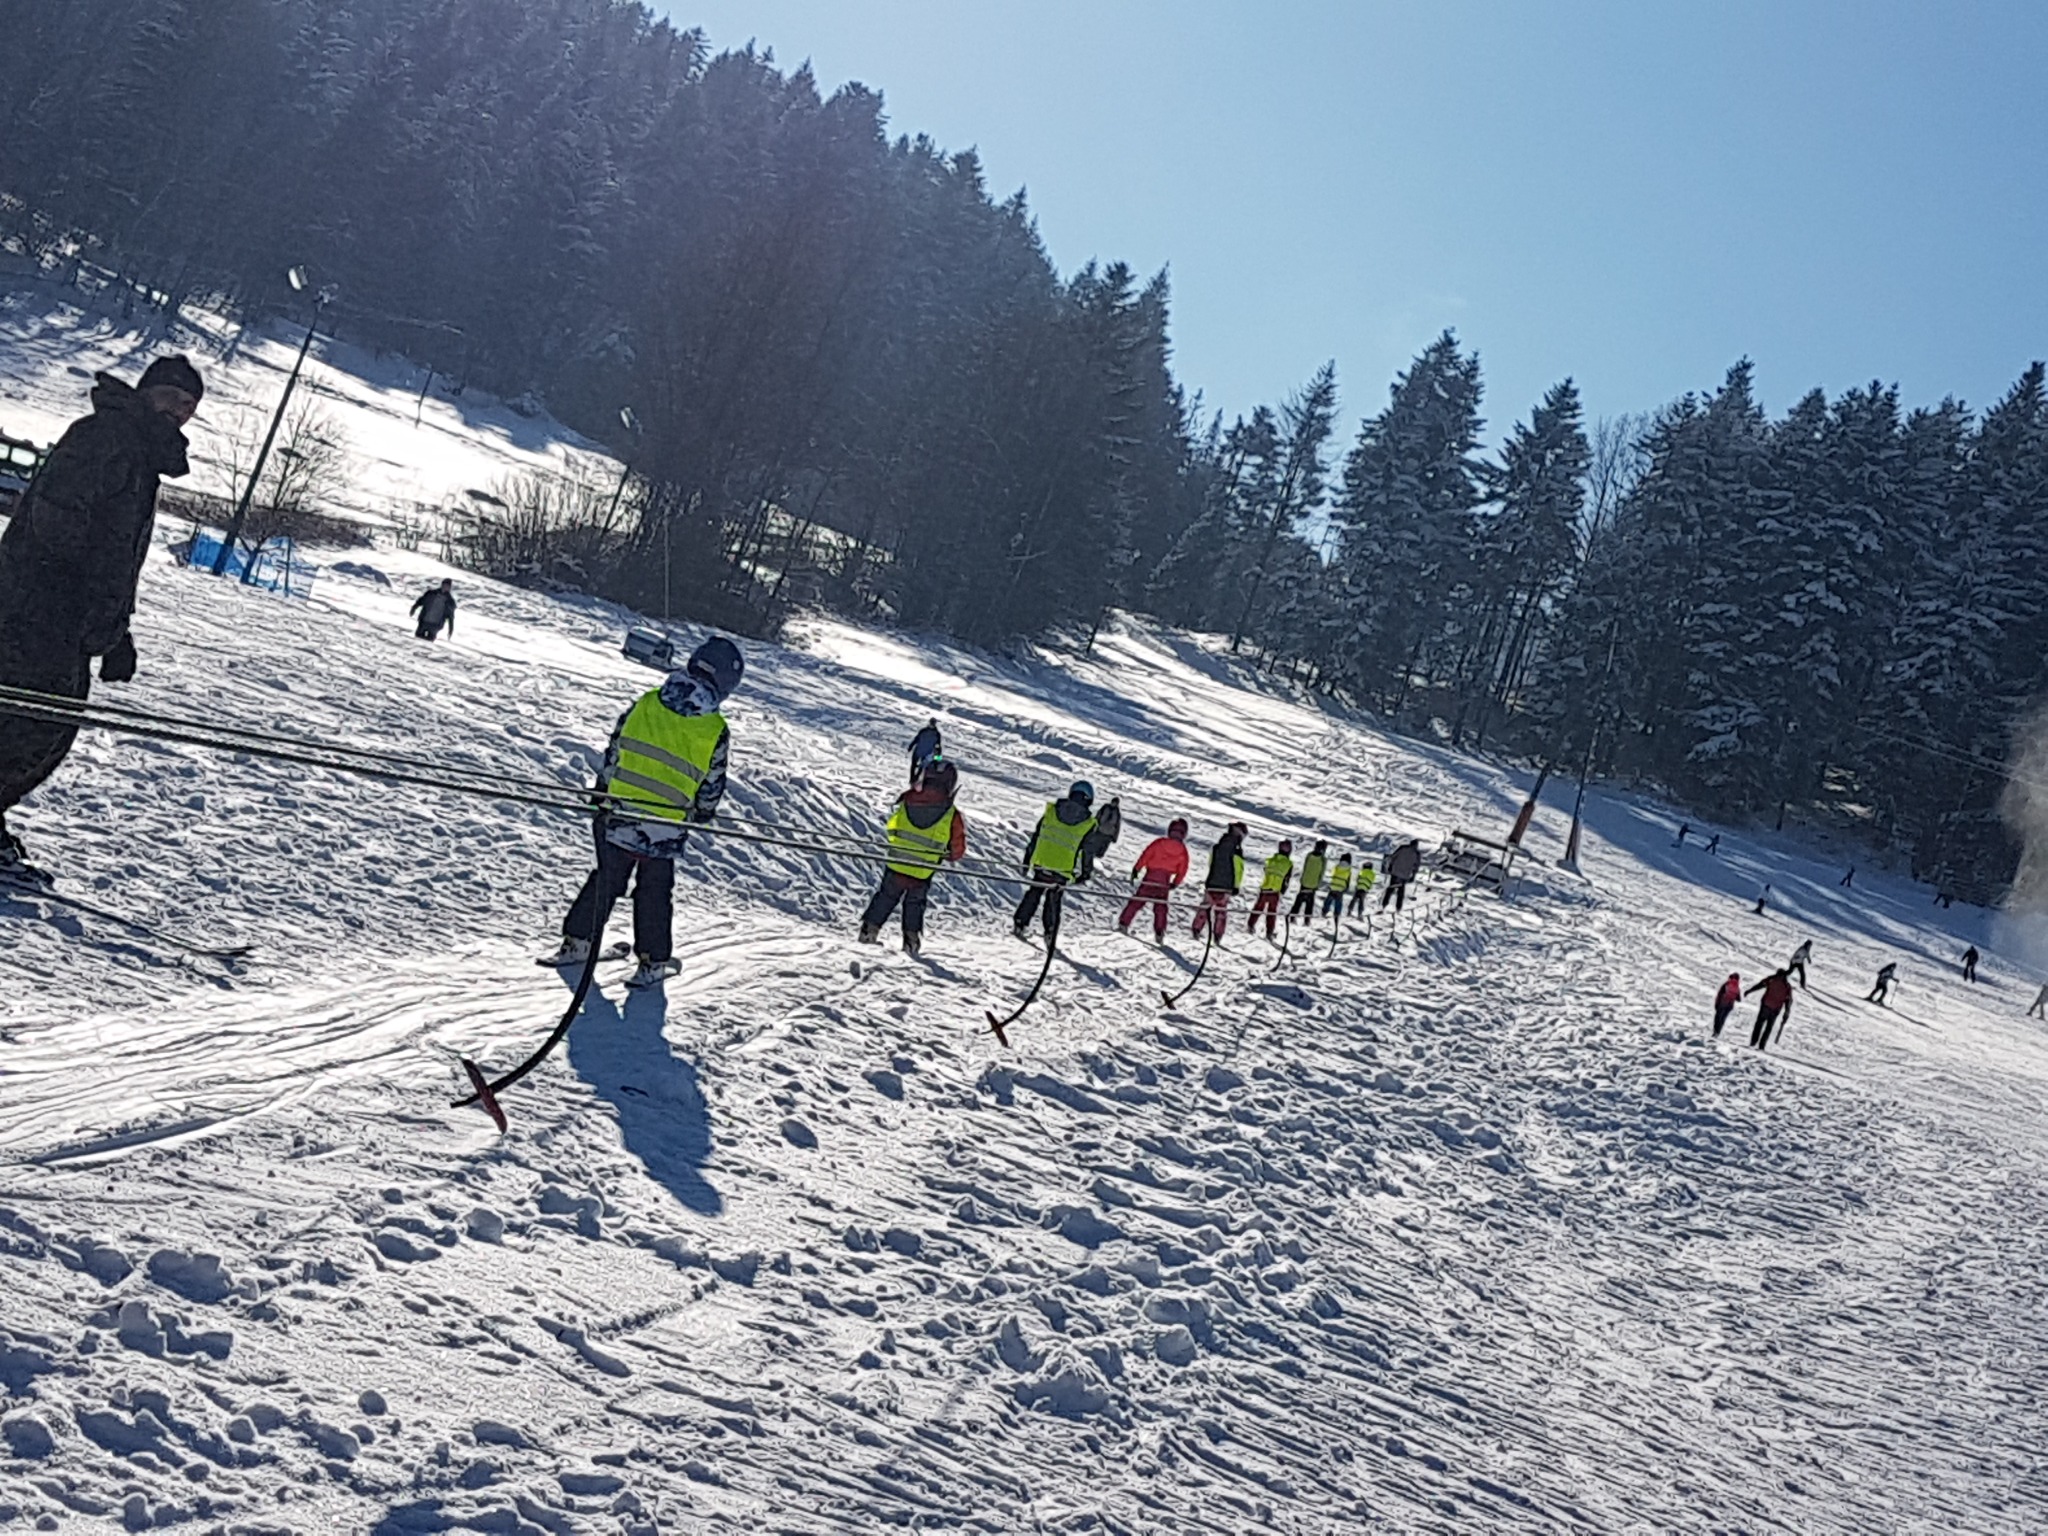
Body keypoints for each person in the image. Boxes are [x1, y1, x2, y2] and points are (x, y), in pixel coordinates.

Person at [0, 356, 203, 883]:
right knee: (27, 725)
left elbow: (113, 555)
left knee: (44, 729)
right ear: (149, 392)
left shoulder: (137, 453)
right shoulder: (104, 438)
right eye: (174, 398)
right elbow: (58, 523)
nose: (182, 413)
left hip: (67, 621)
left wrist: (115, 630)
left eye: (190, 407)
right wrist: (72, 603)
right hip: (33, 609)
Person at [547, 636, 741, 988]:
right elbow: (712, 781)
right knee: (653, 890)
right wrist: (703, 812)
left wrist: (603, 792)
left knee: (606, 878)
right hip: (664, 824)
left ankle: (577, 941)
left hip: (618, 812)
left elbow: (616, 749)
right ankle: (651, 961)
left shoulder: (648, 702)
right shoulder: (714, 728)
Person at [859, 753, 965, 955]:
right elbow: (957, 849)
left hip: (897, 862)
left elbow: (892, 828)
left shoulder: (907, 801)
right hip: (922, 870)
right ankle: (911, 940)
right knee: (915, 904)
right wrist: (945, 854)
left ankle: (868, 930)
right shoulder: (951, 814)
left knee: (886, 897)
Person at [1012, 781, 1097, 943]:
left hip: (1041, 862)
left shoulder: (1051, 812)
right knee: (1054, 899)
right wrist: (1085, 873)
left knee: (1035, 891)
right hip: (1063, 869)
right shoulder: (1088, 823)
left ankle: (1020, 922)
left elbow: (1036, 836)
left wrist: (1027, 860)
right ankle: (1050, 931)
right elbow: (1088, 851)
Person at [1119, 817, 1189, 941]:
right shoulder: (1183, 851)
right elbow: (1183, 869)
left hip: (1150, 876)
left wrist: (1137, 868)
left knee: (1137, 901)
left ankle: (1124, 923)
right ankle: (1159, 932)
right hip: (1164, 881)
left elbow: (1146, 855)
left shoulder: (1159, 842)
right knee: (1160, 908)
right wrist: (1175, 883)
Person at [1191, 822, 1246, 945]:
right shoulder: (1237, 850)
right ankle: (1217, 935)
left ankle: (1196, 928)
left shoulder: (1217, 846)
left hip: (1212, 883)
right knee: (1221, 911)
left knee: (1205, 906)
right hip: (1226, 887)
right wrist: (1236, 886)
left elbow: (1211, 863)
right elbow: (1238, 870)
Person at [1251, 839, 1293, 940]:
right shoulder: (1288, 863)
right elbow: (1286, 879)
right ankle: (1269, 932)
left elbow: (1266, 870)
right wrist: (1283, 890)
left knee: (1258, 908)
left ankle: (1250, 924)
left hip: (1265, 888)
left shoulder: (1271, 860)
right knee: (1272, 912)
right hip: (1275, 890)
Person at [1746, 968, 1794, 1049]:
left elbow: (1760, 985)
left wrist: (1750, 990)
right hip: (1775, 1010)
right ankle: (1761, 1045)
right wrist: (1787, 1011)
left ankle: (1753, 1042)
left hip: (1766, 1006)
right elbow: (1788, 1000)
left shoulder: (1772, 979)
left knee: (1759, 1025)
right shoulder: (1787, 986)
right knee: (1768, 1028)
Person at [1079, 794, 1123, 882]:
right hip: (1100, 831)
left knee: (1100, 852)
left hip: (1108, 835)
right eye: (1113, 802)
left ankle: (1091, 865)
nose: (1114, 804)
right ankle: (1088, 868)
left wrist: (1115, 837)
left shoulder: (1117, 813)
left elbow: (1117, 826)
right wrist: (1092, 827)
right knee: (1091, 849)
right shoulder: (1105, 807)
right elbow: (1098, 817)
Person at [1289, 839, 1328, 924]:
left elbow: (1305, 866)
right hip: (1313, 884)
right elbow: (1322, 872)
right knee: (1310, 903)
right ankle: (1307, 920)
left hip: (1304, 881)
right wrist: (1318, 883)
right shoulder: (1323, 859)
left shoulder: (1309, 855)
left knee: (1298, 900)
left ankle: (1293, 916)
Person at [1381, 839, 1422, 913]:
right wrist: (1413, 876)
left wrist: (1390, 867)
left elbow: (1393, 857)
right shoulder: (1417, 853)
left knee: (1390, 889)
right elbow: (1416, 866)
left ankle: (1384, 905)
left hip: (1395, 872)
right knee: (1400, 892)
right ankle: (1398, 908)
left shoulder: (1403, 848)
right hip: (1405, 875)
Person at [908, 718, 942, 786]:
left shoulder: (936, 734)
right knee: (914, 765)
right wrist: (911, 746)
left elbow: (937, 745)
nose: (932, 724)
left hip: (926, 752)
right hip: (919, 750)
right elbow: (917, 739)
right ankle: (912, 778)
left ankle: (916, 777)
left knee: (921, 766)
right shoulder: (924, 731)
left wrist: (938, 757)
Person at [1324, 853, 1354, 918]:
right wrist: (1346, 888)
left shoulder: (1337, 866)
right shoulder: (1349, 869)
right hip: (1341, 888)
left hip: (1333, 886)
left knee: (1328, 901)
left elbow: (1332, 873)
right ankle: (1337, 914)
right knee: (1338, 903)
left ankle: (1325, 912)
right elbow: (1348, 880)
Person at [1713, 973, 1742, 1037]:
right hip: (1730, 1005)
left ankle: (1715, 1031)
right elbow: (1739, 999)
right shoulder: (1737, 987)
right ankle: (1718, 1032)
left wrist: (1716, 1003)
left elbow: (1720, 994)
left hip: (1722, 1003)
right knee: (1723, 1019)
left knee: (1718, 1018)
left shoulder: (1726, 984)